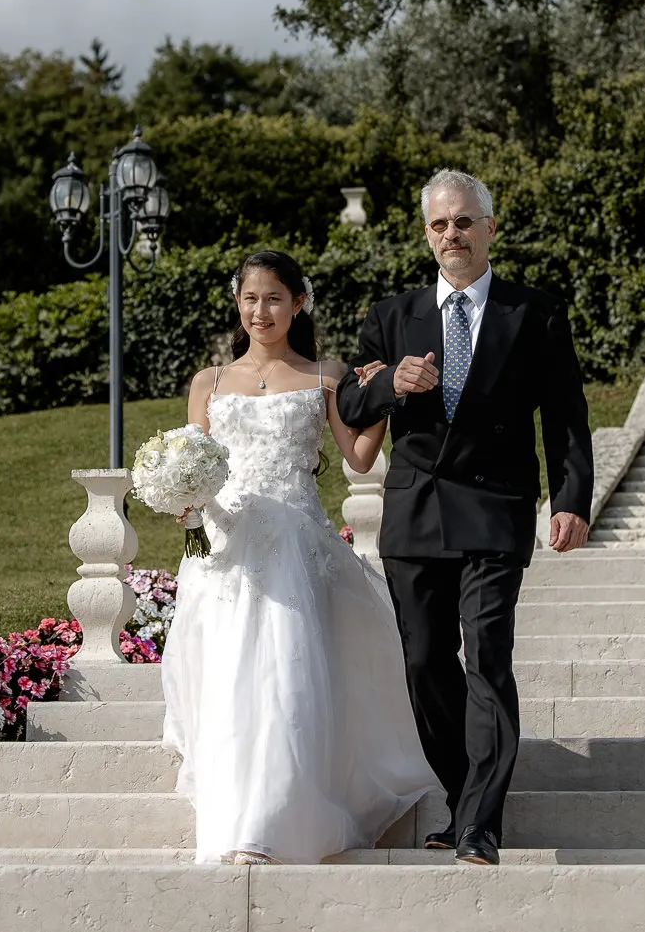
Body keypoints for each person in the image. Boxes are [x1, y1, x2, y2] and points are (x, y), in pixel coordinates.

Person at [335, 170, 594, 866]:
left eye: (464, 221)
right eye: (440, 224)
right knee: (425, 664)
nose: (452, 234)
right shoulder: (392, 316)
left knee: (487, 655)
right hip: (415, 511)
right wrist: (392, 384)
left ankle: (480, 820)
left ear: (489, 229)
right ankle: (460, 797)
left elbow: (565, 415)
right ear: (427, 235)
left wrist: (571, 498)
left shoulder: (534, 312)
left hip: (495, 508)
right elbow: (350, 406)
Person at [159, 249, 440, 865]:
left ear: (299, 303)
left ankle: (273, 822)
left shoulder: (325, 376)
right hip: (226, 552)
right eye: (250, 299)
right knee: (231, 683)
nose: (261, 311)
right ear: (237, 303)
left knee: (284, 680)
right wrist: (181, 497)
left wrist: (383, 400)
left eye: (274, 299)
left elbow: (358, 458)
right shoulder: (208, 382)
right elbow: (194, 464)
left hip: (295, 546)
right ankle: (235, 820)